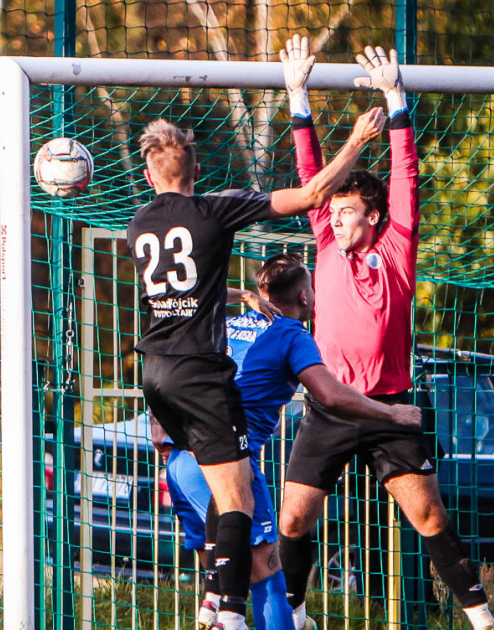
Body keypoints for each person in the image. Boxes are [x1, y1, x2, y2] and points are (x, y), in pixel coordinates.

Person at [127, 98, 386, 630]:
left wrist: (242, 293)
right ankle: (231, 614)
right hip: (201, 373)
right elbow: (313, 194)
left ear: (150, 175)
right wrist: (358, 139)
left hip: (154, 375)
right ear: (197, 171)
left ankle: (212, 597)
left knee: (218, 496)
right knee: (240, 498)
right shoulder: (212, 210)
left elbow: (194, 282)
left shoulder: (138, 224)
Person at [275, 45, 494, 630]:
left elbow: (405, 175)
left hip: (387, 409)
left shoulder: (396, 250)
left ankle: (482, 620)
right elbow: (310, 176)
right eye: (333, 212)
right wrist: (296, 95)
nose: (334, 218)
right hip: (329, 406)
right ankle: (298, 614)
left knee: (428, 515)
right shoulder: (325, 245)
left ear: (373, 218)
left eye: (347, 211)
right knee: (293, 520)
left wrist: (395, 101)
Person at [163, 252, 424, 630]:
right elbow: (331, 395)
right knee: (267, 570)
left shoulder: (227, 323)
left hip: (182, 463)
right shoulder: (291, 334)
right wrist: (393, 413)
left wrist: (243, 296)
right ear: (305, 297)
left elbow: (196, 296)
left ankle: (214, 606)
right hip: (228, 463)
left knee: (223, 561)